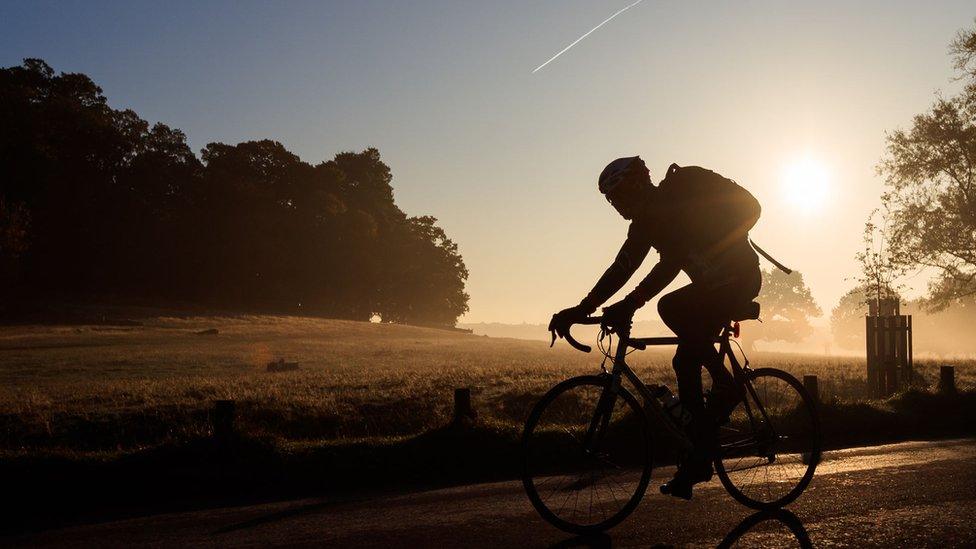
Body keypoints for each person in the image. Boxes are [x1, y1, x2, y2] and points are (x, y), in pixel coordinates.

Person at [548, 156, 762, 500]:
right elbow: (622, 267)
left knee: (671, 307)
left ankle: (726, 387)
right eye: (609, 201)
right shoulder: (646, 224)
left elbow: (670, 265)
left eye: (616, 197)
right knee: (685, 361)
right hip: (710, 287)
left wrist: (630, 303)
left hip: (737, 280)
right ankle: (699, 454)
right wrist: (580, 309)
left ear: (634, 184)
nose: (615, 206)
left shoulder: (674, 204)